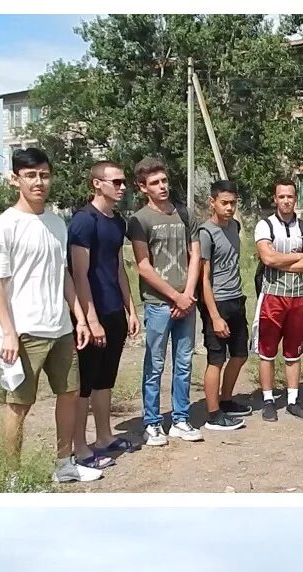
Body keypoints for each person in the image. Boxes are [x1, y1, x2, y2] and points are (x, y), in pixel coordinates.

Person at [0, 147, 101, 487]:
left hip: (60, 328)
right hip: (25, 332)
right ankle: (12, 476)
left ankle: (64, 463)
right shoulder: (4, 226)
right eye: (31, 175)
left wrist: (78, 316)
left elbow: (62, 274)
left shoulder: (55, 222)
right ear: (15, 179)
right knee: (19, 405)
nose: (39, 182)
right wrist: (7, 332)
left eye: (44, 175)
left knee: (70, 395)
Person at [67, 160, 140, 470]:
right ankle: (81, 449)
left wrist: (131, 309)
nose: (122, 187)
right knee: (85, 383)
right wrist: (91, 318)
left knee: (105, 380)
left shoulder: (117, 221)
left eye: (123, 182)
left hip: (114, 313)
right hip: (90, 315)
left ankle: (104, 437)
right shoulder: (84, 221)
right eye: (117, 182)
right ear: (97, 184)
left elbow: (118, 267)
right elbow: (79, 274)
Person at [127, 157, 203, 447]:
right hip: (159, 304)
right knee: (155, 364)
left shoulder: (184, 214)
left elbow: (195, 255)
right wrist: (176, 296)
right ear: (142, 187)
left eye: (164, 181)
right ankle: (152, 423)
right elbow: (143, 266)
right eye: (155, 183)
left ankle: (181, 419)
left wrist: (188, 295)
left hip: (187, 303)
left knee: (184, 362)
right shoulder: (139, 220)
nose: (162, 187)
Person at [253, 178, 303, 422]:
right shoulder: (265, 225)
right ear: (275, 199)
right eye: (281, 196)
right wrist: (298, 257)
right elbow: (268, 259)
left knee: (294, 351)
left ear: (296, 198)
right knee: (267, 351)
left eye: (290, 196)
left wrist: (285, 260)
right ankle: (268, 400)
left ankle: (292, 400)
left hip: (299, 297)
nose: (286, 201)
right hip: (272, 296)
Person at [198, 179, 251, 432]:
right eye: (224, 203)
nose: (229, 208)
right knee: (216, 359)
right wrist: (214, 316)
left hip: (236, 299)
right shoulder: (205, 233)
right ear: (213, 202)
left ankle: (226, 399)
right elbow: (204, 279)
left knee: (240, 355)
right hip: (216, 302)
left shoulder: (235, 226)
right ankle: (213, 414)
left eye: (233, 203)